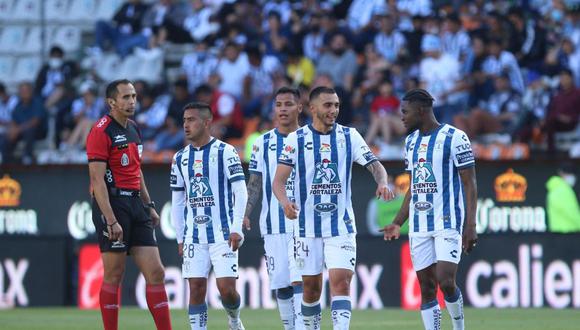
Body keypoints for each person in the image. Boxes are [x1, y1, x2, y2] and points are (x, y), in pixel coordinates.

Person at [273, 86, 395, 330]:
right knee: (311, 288)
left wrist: (382, 181)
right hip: (306, 226)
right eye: (328, 105)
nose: (334, 110)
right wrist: (285, 202)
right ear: (313, 108)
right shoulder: (296, 140)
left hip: (341, 225)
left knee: (341, 282)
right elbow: (279, 181)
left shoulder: (350, 136)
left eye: (336, 105)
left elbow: (375, 165)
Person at [381, 89, 478, 330]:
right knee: (426, 287)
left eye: (405, 112)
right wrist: (397, 222)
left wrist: (471, 225)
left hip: (448, 221)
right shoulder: (411, 142)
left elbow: (470, 183)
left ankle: (458, 326)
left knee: (446, 282)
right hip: (419, 225)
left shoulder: (455, 137)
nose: (401, 117)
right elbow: (414, 187)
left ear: (421, 111)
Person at [86, 79, 171, 330]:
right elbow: (97, 180)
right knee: (115, 274)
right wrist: (110, 219)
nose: (132, 101)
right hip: (113, 204)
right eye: (125, 97)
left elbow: (136, 170)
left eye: (133, 96)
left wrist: (149, 204)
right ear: (111, 102)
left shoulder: (133, 128)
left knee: (156, 273)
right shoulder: (101, 131)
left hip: (136, 204)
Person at [170, 102, 247, 330]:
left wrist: (236, 228)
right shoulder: (180, 158)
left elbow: (240, 191)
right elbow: (177, 201)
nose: (186, 125)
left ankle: (234, 319)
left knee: (227, 291)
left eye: (191, 120)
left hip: (223, 234)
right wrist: (180, 237)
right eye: (184, 120)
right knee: (195, 288)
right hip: (194, 235)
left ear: (206, 122)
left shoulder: (226, 152)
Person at [244, 87, 305, 330]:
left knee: (302, 280)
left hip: (304, 225)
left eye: (288, 104)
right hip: (273, 226)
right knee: (282, 284)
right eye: (278, 104)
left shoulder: (309, 139)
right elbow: (255, 184)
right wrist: (245, 214)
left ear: (299, 108)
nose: (282, 109)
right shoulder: (262, 143)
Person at [546, 163, 580, 233]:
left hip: (558, 234)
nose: (573, 177)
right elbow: (572, 213)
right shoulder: (563, 190)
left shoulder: (554, 190)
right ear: (562, 174)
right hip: (569, 234)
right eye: (570, 173)